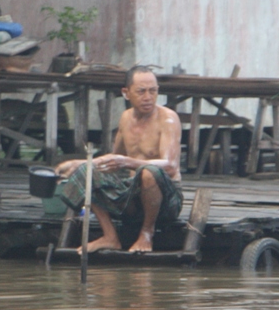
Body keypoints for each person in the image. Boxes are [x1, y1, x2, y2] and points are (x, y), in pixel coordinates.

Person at [55, 66, 183, 252]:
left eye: (153, 91)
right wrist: (81, 164)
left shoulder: (168, 119)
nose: (148, 97)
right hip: (133, 197)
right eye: (141, 91)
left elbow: (170, 166)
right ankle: (110, 236)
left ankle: (146, 234)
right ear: (126, 93)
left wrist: (129, 162)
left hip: (166, 202)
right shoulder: (125, 118)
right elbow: (113, 160)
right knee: (89, 172)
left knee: (148, 172)